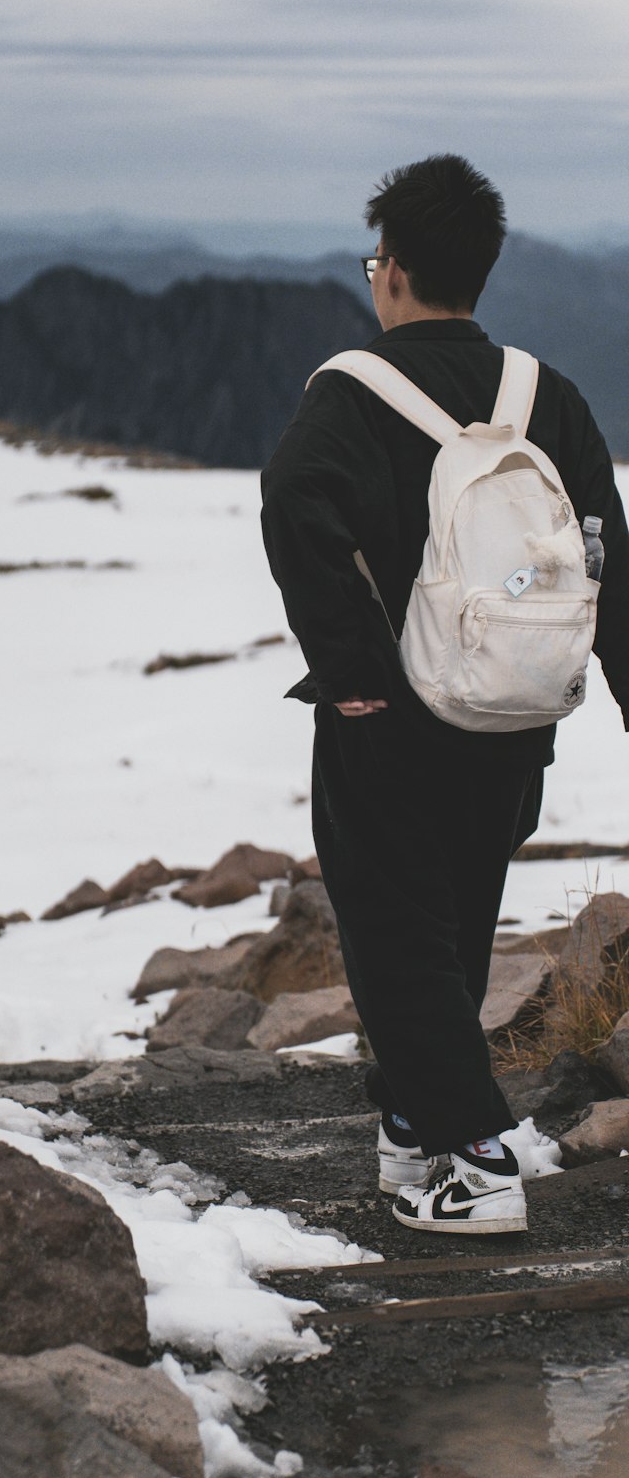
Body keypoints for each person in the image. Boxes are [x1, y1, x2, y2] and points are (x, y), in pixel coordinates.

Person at [260, 154, 629, 1234]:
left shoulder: (351, 392)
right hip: (514, 720)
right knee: (455, 925)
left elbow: (293, 508)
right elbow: (601, 545)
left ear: (394, 272)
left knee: (394, 934)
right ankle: (415, 1126)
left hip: (398, 722)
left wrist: (352, 673)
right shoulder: (540, 392)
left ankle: (472, 1161)